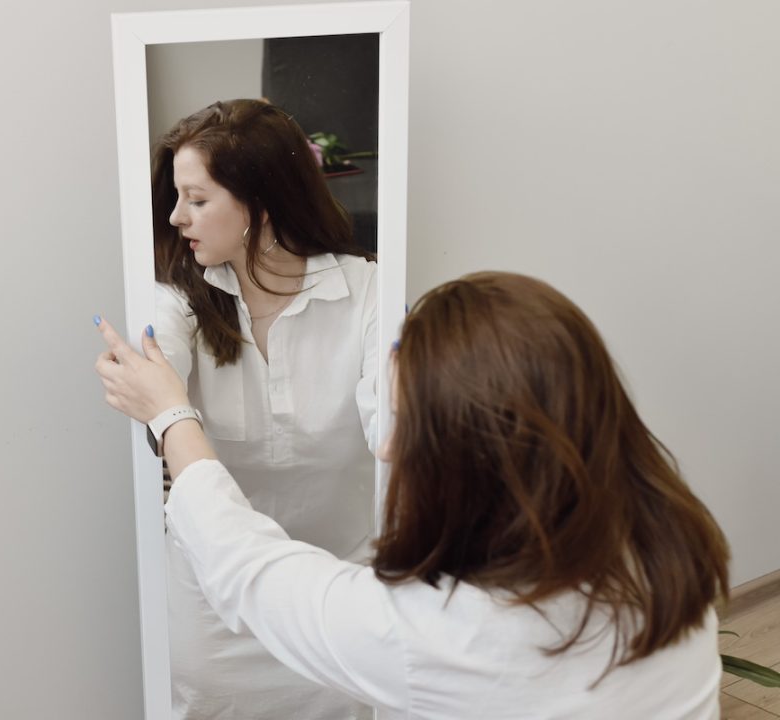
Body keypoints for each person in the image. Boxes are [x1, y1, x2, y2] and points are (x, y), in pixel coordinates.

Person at [95, 271, 730, 719]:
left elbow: (249, 569)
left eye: (406, 424)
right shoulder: (672, 559)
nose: (385, 448)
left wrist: (171, 417)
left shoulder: (438, 633)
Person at [147, 99, 378, 719]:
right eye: (176, 197)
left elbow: (395, 427)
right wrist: (155, 394)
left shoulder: (367, 293)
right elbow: (157, 370)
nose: (176, 217)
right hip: (214, 606)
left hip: (336, 599)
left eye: (197, 200)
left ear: (261, 205)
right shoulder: (177, 297)